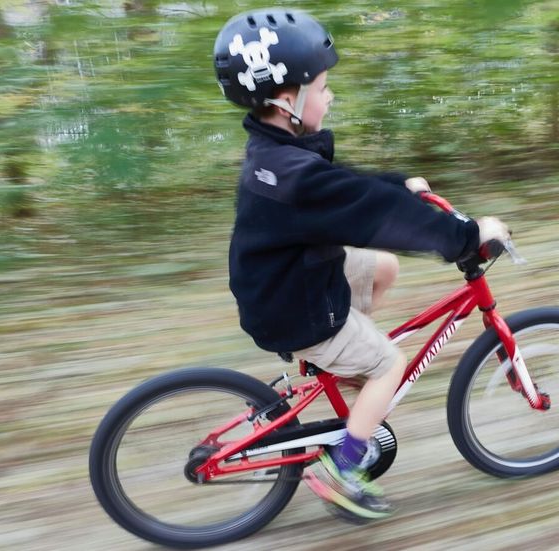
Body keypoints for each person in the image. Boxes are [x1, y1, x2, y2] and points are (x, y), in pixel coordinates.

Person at [213, 9, 510, 520]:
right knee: (390, 364)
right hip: (296, 306)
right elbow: (371, 214)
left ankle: (342, 362)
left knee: (383, 267)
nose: (329, 97)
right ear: (288, 100)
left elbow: (349, 192)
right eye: (323, 87)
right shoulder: (295, 175)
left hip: (284, 279)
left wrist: (399, 185)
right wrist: (465, 238)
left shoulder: (276, 152)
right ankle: (343, 470)